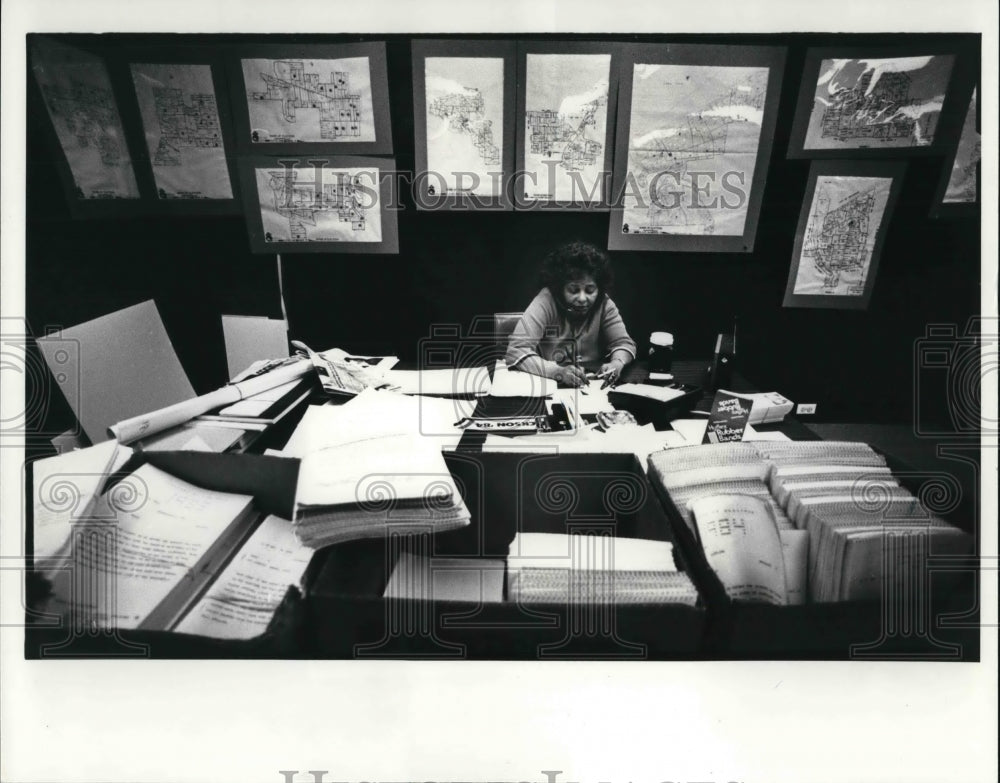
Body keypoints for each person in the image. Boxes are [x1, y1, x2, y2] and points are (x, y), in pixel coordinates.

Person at [506, 241, 637, 388]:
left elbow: (624, 344)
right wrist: (557, 371)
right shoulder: (546, 300)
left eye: (590, 290)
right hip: (549, 384)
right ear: (560, 288)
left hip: (593, 385)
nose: (582, 299)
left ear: (599, 289)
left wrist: (617, 363)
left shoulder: (604, 303)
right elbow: (515, 351)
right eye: (573, 290)